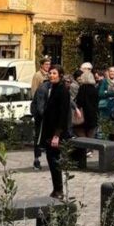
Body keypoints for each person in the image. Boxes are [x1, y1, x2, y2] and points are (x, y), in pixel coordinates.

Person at [39, 65, 71, 199]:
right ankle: (56, 188)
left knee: (55, 160)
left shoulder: (62, 90)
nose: (51, 75)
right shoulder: (53, 88)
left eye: (54, 73)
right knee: (51, 160)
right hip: (49, 130)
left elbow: (63, 114)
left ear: (60, 75)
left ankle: (59, 190)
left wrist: (57, 135)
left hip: (56, 132)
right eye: (50, 73)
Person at [30, 56, 51, 169]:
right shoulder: (38, 75)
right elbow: (34, 91)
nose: (48, 66)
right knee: (38, 135)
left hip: (47, 109)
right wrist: (38, 108)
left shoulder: (50, 75)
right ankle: (36, 159)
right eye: (46, 64)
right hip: (40, 109)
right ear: (42, 65)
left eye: (49, 64)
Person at [74, 62, 98, 138]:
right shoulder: (94, 89)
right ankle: (90, 149)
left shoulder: (82, 88)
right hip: (92, 115)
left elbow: (79, 102)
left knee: (81, 135)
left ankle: (85, 149)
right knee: (91, 136)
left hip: (83, 115)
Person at [97, 66, 114, 138]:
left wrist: (107, 92)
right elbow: (100, 93)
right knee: (104, 129)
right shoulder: (104, 81)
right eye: (111, 71)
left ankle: (113, 146)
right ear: (108, 72)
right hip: (105, 108)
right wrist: (112, 92)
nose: (112, 73)